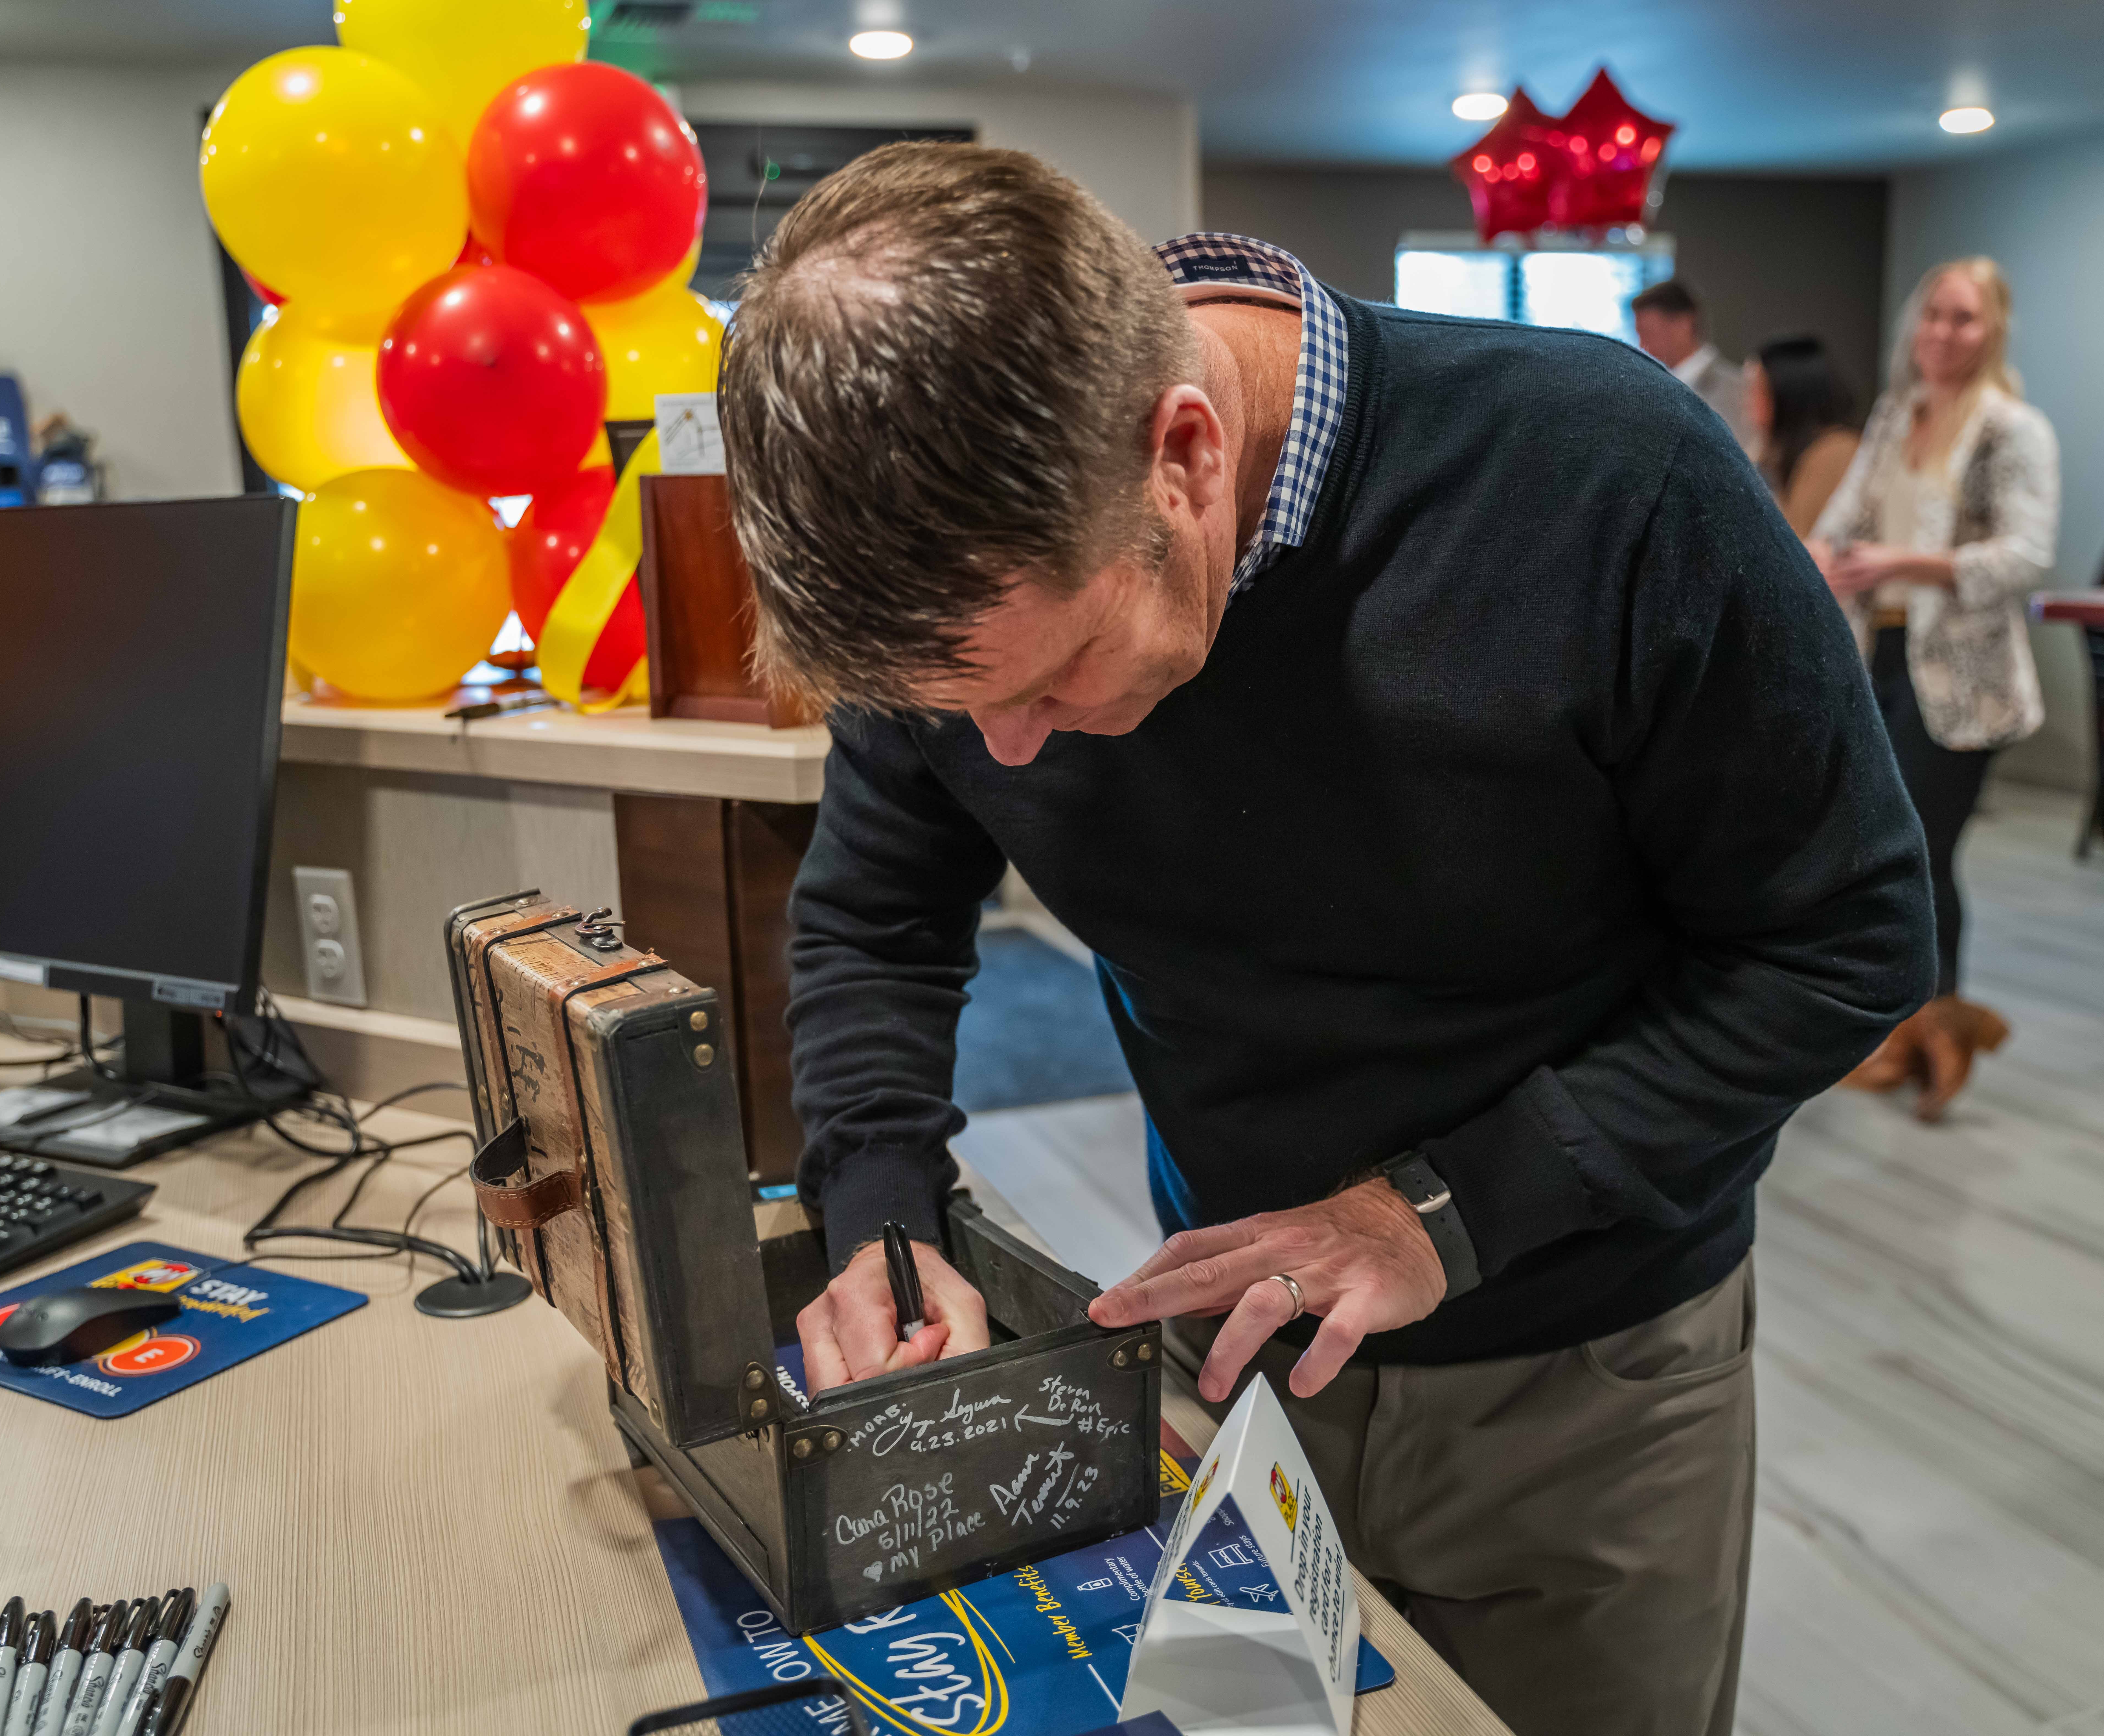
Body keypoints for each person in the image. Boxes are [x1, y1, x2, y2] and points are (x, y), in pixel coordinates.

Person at [721, 144, 1934, 1735]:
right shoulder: (964, 601)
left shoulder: (1611, 482)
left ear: (1187, 456)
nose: (1008, 757)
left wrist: (1446, 1209)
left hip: (1583, 1376)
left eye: (1055, 677)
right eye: (958, 710)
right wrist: (879, 1196)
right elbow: (881, 909)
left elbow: (1849, 938)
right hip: (1232, 1363)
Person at [1809, 257, 2059, 1121]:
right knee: (1883, 852)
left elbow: (2027, 557)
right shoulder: (1896, 415)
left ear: (1992, 330)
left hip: (1966, 683)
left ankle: (1939, 1028)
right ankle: (1905, 1024)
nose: (1944, 335)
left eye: (1963, 319)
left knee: (1920, 853)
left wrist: (1909, 563)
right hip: (1883, 661)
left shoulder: (2012, 430)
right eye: (1933, 317)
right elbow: (1843, 526)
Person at [1745, 334, 1860, 538]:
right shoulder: (1775, 453)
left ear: (1786, 394)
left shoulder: (1834, 454)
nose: (1747, 401)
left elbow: (1803, 549)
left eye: (1758, 389)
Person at [1631, 278, 1758, 454]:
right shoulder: (1655, 385)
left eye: (1649, 333)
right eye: (1639, 334)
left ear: (1684, 325)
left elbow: (1746, 462)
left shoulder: (1737, 389)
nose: (1642, 345)